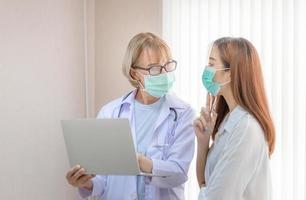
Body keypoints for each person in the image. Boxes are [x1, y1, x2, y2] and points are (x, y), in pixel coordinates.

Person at [65, 32, 195, 200]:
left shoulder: (183, 113)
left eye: (167, 65)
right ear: (134, 74)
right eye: (154, 68)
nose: (163, 73)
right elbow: (103, 181)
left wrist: (138, 162)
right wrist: (84, 182)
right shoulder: (110, 112)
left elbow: (179, 173)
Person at [194, 37, 275, 200]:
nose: (206, 70)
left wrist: (204, 189)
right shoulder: (229, 119)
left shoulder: (246, 128)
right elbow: (207, 182)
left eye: (211, 64)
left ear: (230, 73)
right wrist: (203, 142)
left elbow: (216, 195)